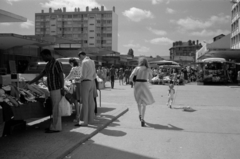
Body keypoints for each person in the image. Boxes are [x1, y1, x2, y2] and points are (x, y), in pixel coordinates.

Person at [28, 49, 64, 133]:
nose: (42, 58)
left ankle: (56, 128)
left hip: (56, 88)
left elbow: (61, 76)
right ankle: (53, 126)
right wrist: (30, 82)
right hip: (51, 89)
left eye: (43, 56)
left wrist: (62, 88)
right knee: (54, 108)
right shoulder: (48, 65)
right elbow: (41, 74)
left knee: (56, 109)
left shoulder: (57, 63)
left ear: (47, 55)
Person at [130, 57, 155, 127]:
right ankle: (142, 119)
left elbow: (130, 77)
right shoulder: (148, 70)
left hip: (137, 85)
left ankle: (140, 115)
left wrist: (133, 82)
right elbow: (150, 80)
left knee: (138, 102)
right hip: (144, 85)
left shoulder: (136, 68)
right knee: (144, 103)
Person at [77, 51, 96, 126]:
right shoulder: (92, 61)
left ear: (81, 55)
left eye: (79, 57)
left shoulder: (84, 62)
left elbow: (83, 75)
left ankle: (85, 121)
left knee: (85, 102)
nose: (80, 59)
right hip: (92, 82)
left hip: (85, 82)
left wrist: (78, 79)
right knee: (91, 102)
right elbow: (94, 75)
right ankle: (91, 119)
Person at [65, 58, 81, 123]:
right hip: (82, 85)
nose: (70, 65)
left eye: (70, 64)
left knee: (75, 101)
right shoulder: (80, 68)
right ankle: (82, 116)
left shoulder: (73, 68)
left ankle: (77, 117)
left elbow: (69, 77)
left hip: (76, 85)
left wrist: (64, 79)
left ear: (71, 63)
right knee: (81, 102)